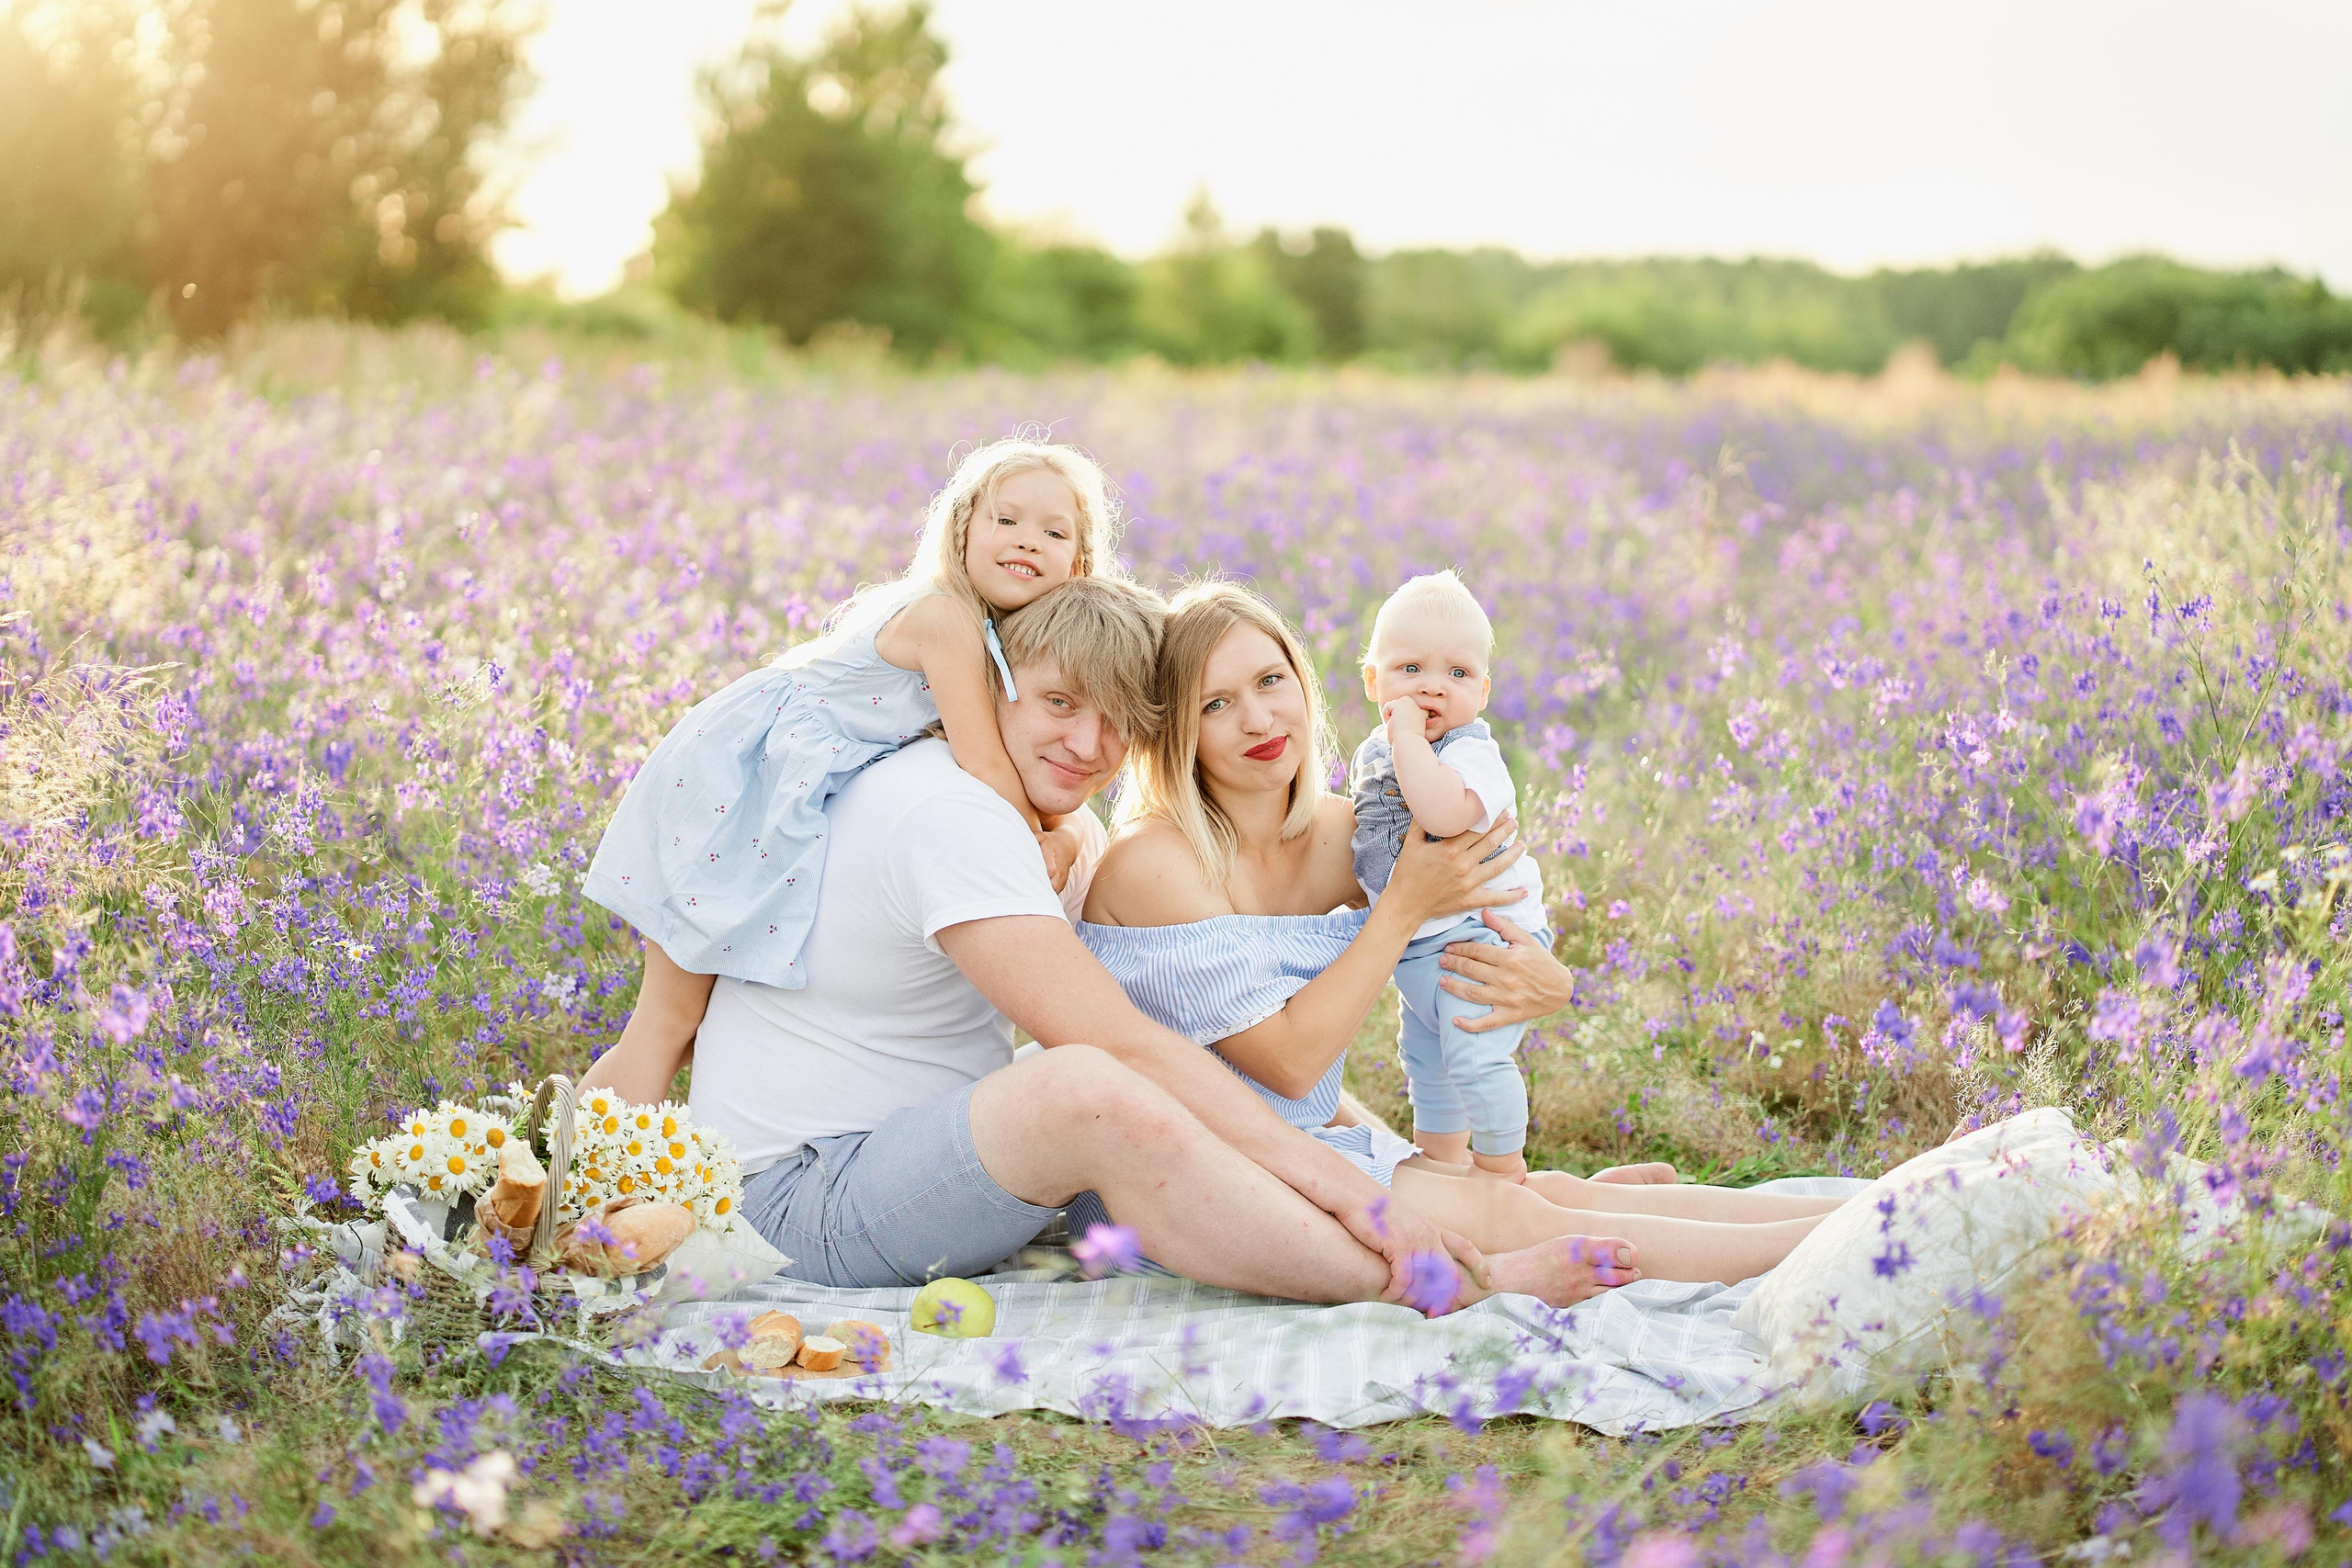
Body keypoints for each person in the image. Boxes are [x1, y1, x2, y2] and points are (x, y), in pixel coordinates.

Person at [582, 577, 1642, 1314]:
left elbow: (1217, 1045)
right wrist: (1358, 1198)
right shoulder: (943, 813)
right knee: (1081, 1084)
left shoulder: (1056, 831)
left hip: (921, 1165)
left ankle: (1509, 1219)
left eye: (1115, 723)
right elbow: (1128, 1052)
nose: (1086, 747)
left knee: (1106, 1082)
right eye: (1052, 705)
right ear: (985, 687)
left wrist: (1376, 1157)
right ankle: (1449, 1283)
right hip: (802, 1204)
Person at [1080, 581, 1847, 1287]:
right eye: (1215, 704)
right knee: (1515, 1216)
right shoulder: (1155, 861)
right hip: (1172, 1187)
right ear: (1175, 729)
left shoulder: (1345, 833)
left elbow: (1489, 885)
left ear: (1305, 684)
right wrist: (1403, 905)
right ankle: (1861, 1247)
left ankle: (1870, 1214)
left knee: (1527, 1192)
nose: (1257, 718)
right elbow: (1285, 1064)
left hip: (1298, 1151)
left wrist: (1547, 974)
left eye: (1270, 681)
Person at [582, 438, 1115, 1077]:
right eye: (1006, 520)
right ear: (962, 531)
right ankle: (582, 1174)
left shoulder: (998, 636)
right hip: (738, 778)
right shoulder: (946, 618)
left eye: (1053, 531)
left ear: (1079, 563)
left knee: (688, 1025)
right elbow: (985, 763)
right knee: (669, 1023)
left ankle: (561, 1162)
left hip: (776, 784)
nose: (1027, 540)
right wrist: (1050, 839)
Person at [1349, 570, 1549, 1180]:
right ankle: (1442, 1165)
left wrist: (1406, 736)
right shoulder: (1374, 754)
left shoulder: (1470, 753)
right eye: (1411, 670)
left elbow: (1440, 811)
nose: (1434, 687)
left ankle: (1500, 1173)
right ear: (1373, 680)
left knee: (1475, 1055)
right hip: (1423, 947)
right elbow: (1368, 842)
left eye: (1457, 674)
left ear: (1483, 692)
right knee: (1426, 1058)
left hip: (1487, 941)